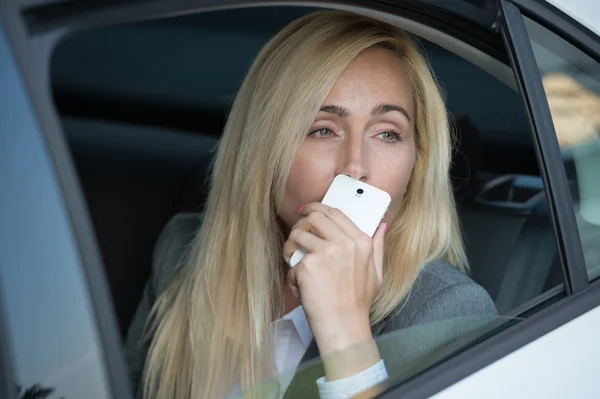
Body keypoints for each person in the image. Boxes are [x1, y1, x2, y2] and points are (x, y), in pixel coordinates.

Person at [125, 10, 497, 399]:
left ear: (416, 164)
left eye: (387, 134)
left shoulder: (446, 313)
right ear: (262, 149)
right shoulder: (180, 252)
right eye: (322, 130)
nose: (355, 167)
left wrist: (345, 331)